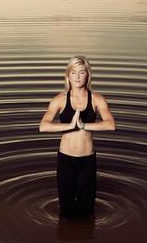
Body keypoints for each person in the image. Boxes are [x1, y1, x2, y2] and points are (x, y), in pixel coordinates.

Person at [39, 55, 116, 218]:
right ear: (68, 75)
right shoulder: (59, 99)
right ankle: (66, 238)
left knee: (87, 208)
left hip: (87, 159)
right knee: (65, 208)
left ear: (88, 74)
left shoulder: (96, 99)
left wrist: (83, 125)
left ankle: (86, 239)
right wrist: (69, 126)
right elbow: (43, 126)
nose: (78, 77)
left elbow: (110, 124)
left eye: (82, 72)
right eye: (73, 73)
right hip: (65, 158)